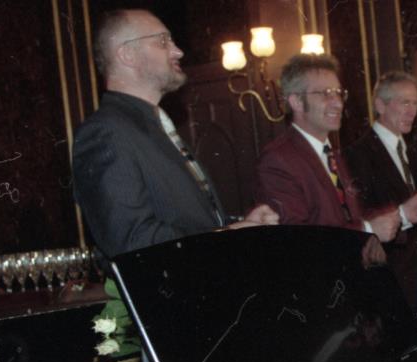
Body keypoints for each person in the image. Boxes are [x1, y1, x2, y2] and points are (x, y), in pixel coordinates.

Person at [74, 9, 277, 266]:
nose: (178, 51)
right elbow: (132, 243)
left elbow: (188, 223)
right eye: (163, 41)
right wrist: (225, 235)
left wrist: (242, 225)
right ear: (127, 54)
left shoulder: (154, 125)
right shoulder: (106, 132)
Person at [254, 54, 400, 242]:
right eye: (325, 93)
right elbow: (295, 239)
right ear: (296, 102)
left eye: (338, 93)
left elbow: (347, 217)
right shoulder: (278, 160)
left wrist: (401, 216)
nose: (338, 103)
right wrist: (368, 229)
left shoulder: (332, 154)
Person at [345, 72, 417, 317]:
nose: (412, 111)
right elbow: (361, 216)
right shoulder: (358, 154)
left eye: (415, 103)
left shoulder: (409, 150)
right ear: (380, 105)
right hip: (388, 276)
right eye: (404, 102)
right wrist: (404, 214)